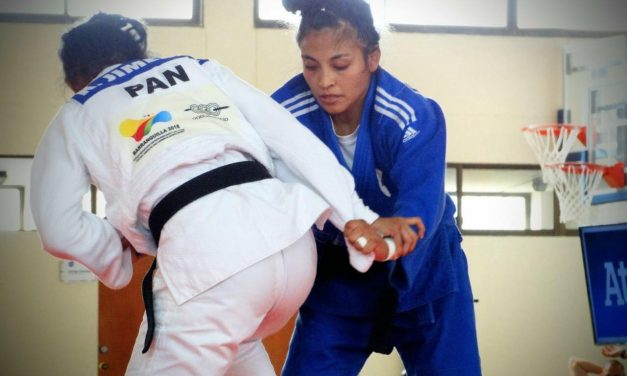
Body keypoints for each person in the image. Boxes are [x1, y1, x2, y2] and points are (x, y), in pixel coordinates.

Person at [29, 13, 425, 375]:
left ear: (73, 78)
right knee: (238, 345)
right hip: (290, 241)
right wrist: (352, 215)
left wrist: (116, 253)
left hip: (211, 260)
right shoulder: (196, 69)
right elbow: (289, 138)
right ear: (141, 52)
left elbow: (58, 228)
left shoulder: (77, 111)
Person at [271, 0, 482, 375]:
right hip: (338, 280)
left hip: (425, 271)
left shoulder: (412, 113)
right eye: (309, 65)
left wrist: (393, 231)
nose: (324, 81)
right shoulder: (282, 115)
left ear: (373, 57)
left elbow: (421, 198)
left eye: (340, 65)